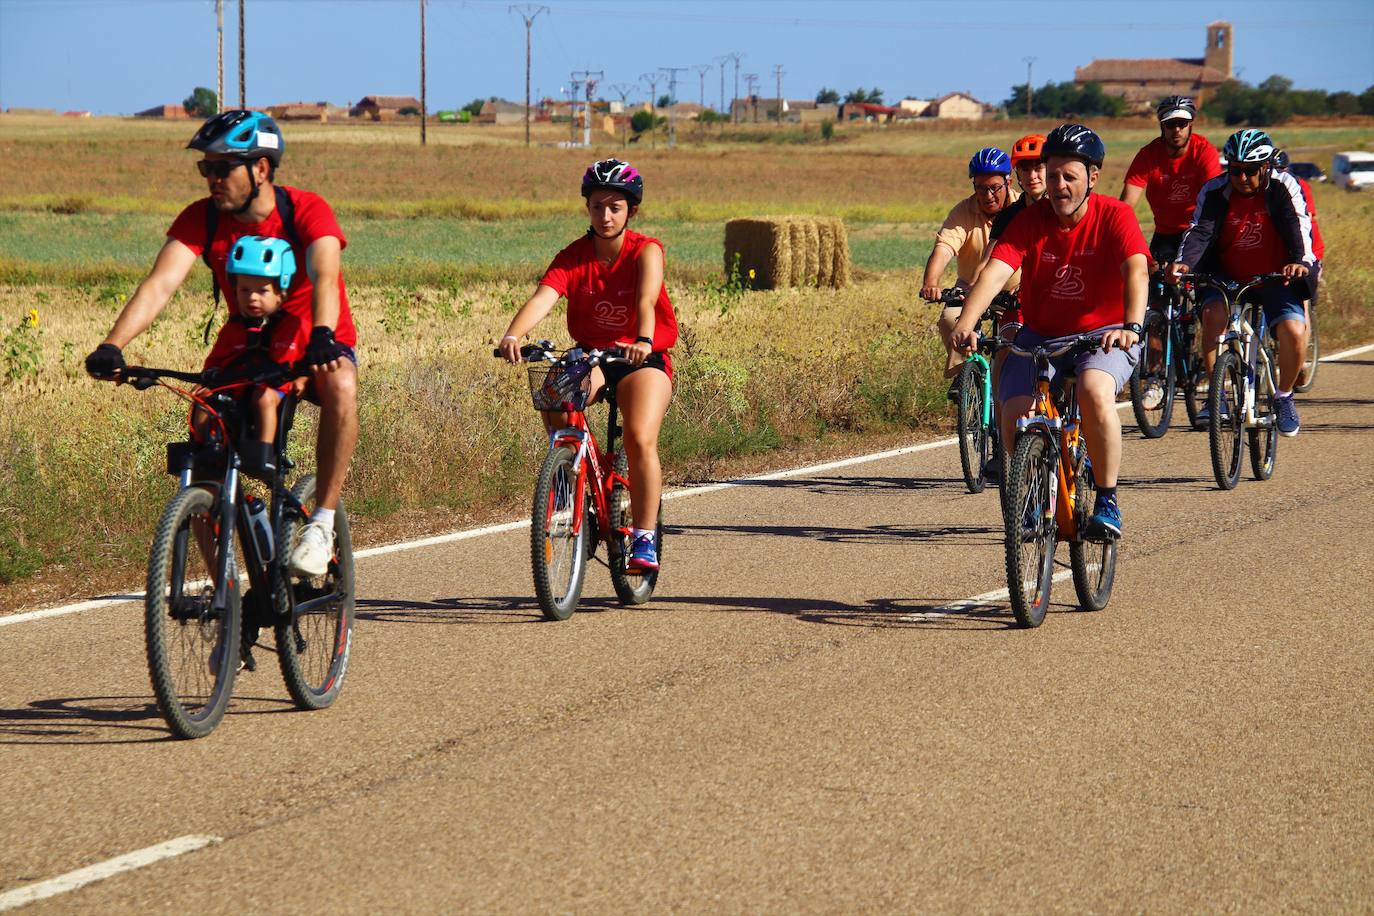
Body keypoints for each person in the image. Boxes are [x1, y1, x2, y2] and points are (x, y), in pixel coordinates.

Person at [84, 110, 358, 576]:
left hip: (313, 336)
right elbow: (160, 285)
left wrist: (324, 337)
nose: (211, 178)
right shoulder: (202, 218)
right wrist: (113, 345)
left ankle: (323, 523)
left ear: (261, 169)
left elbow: (325, 276)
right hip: (244, 343)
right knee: (204, 431)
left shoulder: (306, 210)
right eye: (204, 168)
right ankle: (225, 597)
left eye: (221, 167)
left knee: (341, 386)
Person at [952, 124, 1149, 539]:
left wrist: (1131, 325)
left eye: (1069, 177)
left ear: (1092, 178)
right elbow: (995, 273)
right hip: (1040, 335)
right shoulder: (1030, 221)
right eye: (1053, 174)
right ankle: (1031, 488)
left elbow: (1136, 269)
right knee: (1012, 411)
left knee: (1095, 390)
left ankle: (1108, 501)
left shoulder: (1116, 215)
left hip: (1105, 334)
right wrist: (966, 323)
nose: (1059, 186)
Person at [499, 159, 678, 573]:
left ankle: (645, 537)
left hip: (641, 358)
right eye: (598, 206)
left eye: (615, 207)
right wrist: (513, 335)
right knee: (554, 393)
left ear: (631, 211)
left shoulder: (645, 250)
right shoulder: (574, 256)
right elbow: (544, 296)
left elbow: (646, 302)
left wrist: (643, 341)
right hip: (594, 355)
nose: (606, 215)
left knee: (637, 436)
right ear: (588, 208)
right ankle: (572, 475)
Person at [1166, 129, 1316, 436]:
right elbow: (1199, 232)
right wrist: (1184, 264)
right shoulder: (1214, 191)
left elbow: (1297, 224)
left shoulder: (1284, 186)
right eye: (1235, 170)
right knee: (1212, 316)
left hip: (1277, 275)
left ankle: (1284, 396)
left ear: (1265, 168)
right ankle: (1217, 396)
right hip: (1226, 275)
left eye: (1250, 171)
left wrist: (1300, 261)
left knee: (1294, 331)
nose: (1242, 178)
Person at [205, 235, 308, 479]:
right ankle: (206, 450)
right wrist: (207, 379)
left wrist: (304, 378)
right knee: (204, 402)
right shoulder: (234, 328)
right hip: (237, 388)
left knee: (263, 398)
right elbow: (216, 360)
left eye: (262, 291)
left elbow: (306, 359)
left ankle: (263, 454)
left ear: (281, 293)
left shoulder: (293, 326)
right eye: (244, 290)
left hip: (274, 390)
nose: (252, 297)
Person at [921, 148, 1020, 392]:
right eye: (980, 188)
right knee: (949, 318)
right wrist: (931, 282)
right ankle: (966, 377)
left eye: (994, 187)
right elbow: (944, 248)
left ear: (1008, 182)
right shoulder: (963, 212)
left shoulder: (1023, 209)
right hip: (970, 291)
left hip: (1016, 294)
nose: (987, 195)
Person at [1119, 96, 1222, 266]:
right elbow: (1127, 203)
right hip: (1164, 233)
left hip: (1198, 231)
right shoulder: (1148, 155)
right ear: (1161, 126)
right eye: (1170, 124)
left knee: (1207, 285)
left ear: (1191, 125)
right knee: (1151, 284)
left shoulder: (1204, 151)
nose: (1177, 130)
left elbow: (1214, 198)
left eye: (1182, 123)